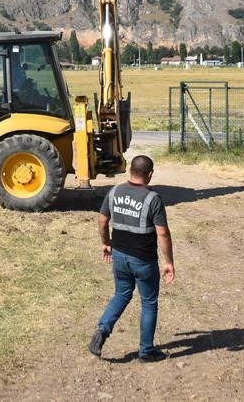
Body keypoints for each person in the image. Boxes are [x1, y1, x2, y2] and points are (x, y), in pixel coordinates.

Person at [88, 154, 175, 362]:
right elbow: (162, 233)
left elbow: (102, 221)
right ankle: (146, 351)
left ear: (130, 171)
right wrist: (169, 262)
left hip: (119, 256)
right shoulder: (152, 198)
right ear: (150, 174)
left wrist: (106, 242)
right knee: (149, 303)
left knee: (121, 294)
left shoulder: (114, 191)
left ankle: (102, 330)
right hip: (143, 260)